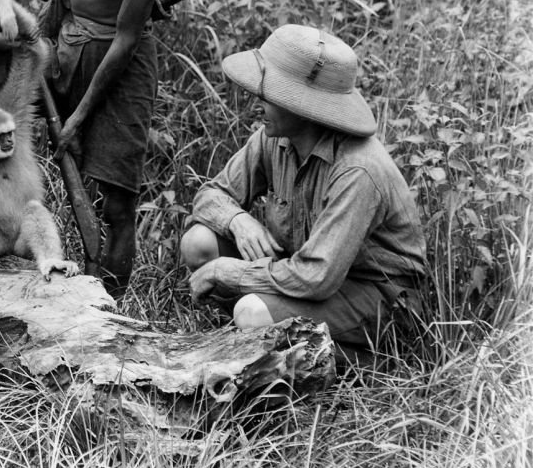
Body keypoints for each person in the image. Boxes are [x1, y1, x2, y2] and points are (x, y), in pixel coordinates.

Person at [180, 24, 428, 354]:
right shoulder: (275, 138)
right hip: (306, 273)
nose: (257, 101)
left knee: (252, 313)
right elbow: (211, 195)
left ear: (303, 106)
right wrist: (238, 220)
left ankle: (359, 360)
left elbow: (315, 277)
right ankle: (273, 340)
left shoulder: (357, 168)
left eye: (269, 94)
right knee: (199, 242)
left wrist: (230, 272)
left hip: (378, 295)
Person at [27, 0, 168, 296]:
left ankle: (112, 310)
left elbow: (127, 40)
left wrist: (79, 117)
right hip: (68, 48)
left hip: (120, 67)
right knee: (66, 185)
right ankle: (75, 290)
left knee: (117, 201)